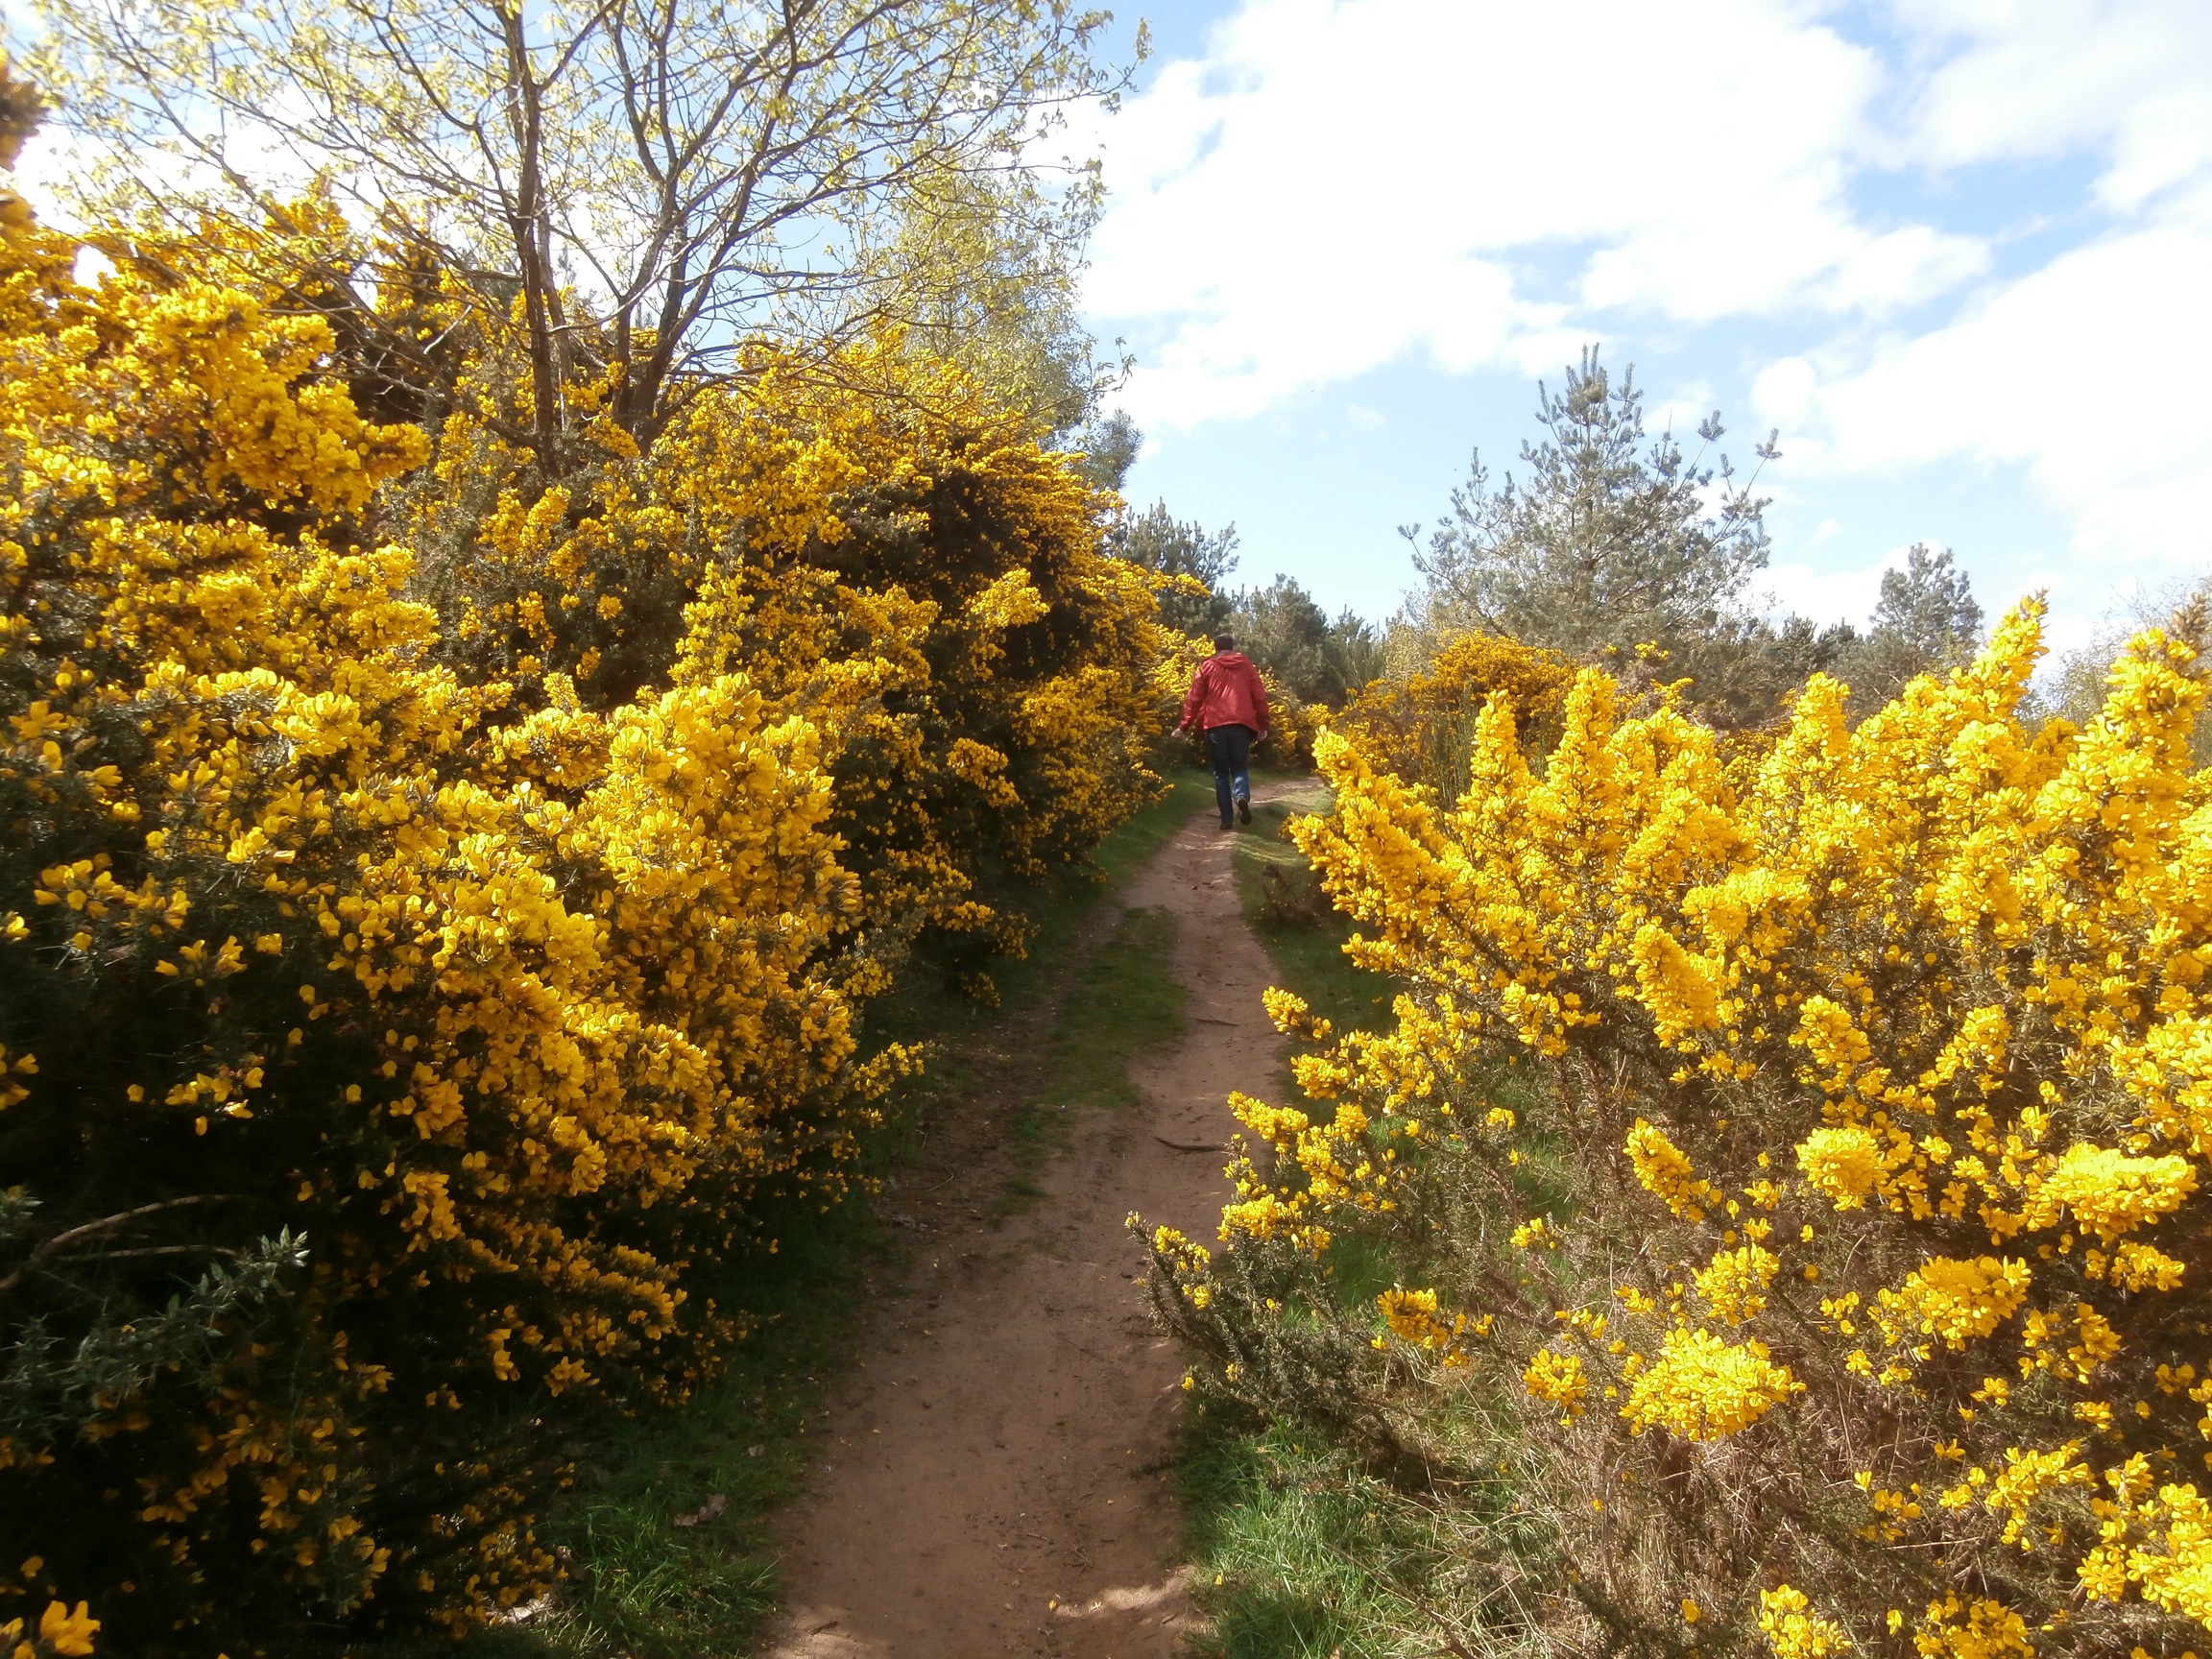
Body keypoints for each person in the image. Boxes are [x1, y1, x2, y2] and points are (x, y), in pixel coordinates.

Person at [1179, 633, 1270, 830]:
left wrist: (1183, 726)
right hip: (1241, 725)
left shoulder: (1207, 667)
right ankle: (1241, 796)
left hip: (1216, 725)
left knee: (1220, 773)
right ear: (1232, 646)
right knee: (1239, 767)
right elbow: (1259, 697)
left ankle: (1226, 820)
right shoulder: (1246, 666)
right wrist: (1263, 725)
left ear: (1215, 648)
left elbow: (1194, 699)